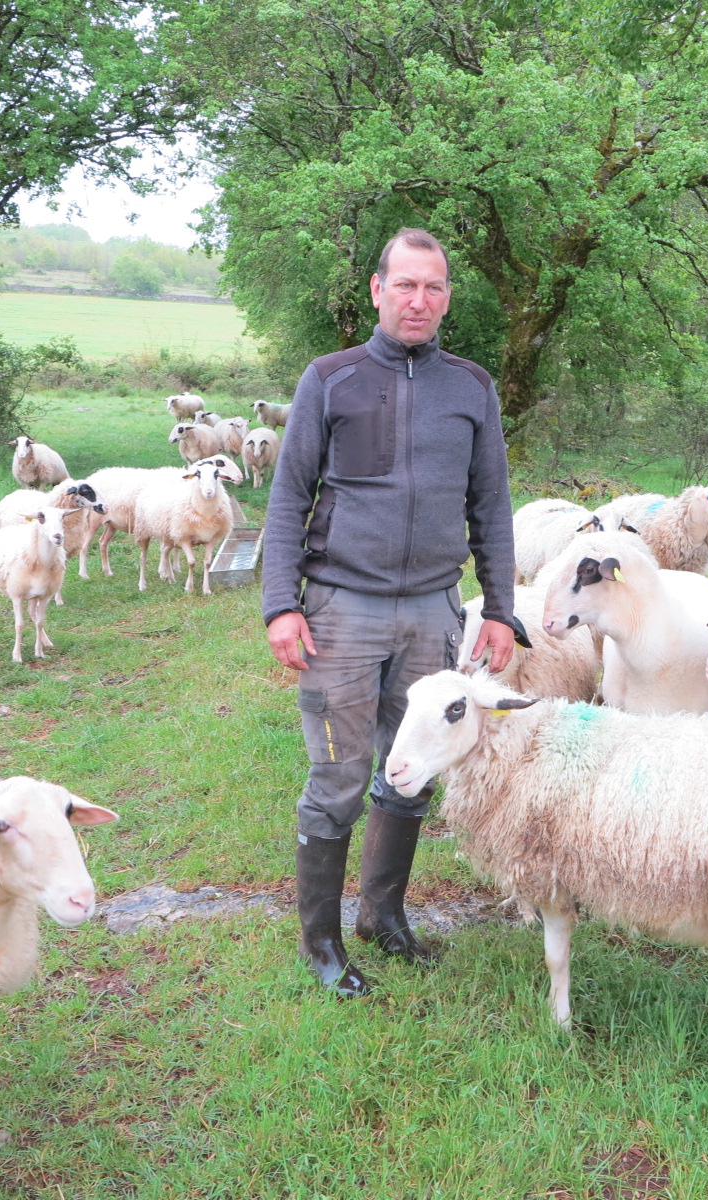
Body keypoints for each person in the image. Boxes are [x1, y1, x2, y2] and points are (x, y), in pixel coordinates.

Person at [262, 227, 518, 996]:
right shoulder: (332, 380)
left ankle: (384, 915)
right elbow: (286, 498)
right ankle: (322, 945)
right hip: (343, 610)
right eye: (405, 285)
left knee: (410, 772)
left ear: (447, 298)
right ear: (377, 290)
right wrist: (282, 604)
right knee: (339, 775)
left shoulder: (471, 389)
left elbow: (492, 504)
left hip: (434, 613)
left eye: (433, 287)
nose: (419, 300)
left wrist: (501, 608)